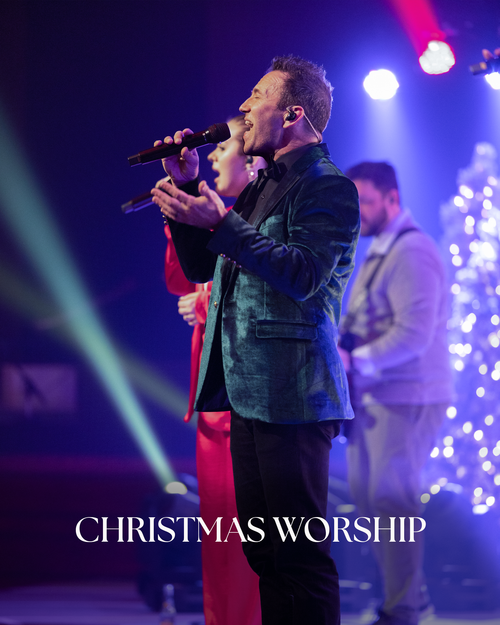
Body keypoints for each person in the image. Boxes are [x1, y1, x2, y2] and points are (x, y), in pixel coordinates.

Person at [151, 55, 360, 625]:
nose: (243, 107)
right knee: (266, 556)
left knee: (299, 559)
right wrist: (187, 187)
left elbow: (303, 273)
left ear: (293, 114)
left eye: (257, 95)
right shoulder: (263, 183)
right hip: (247, 394)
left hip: (293, 396)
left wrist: (221, 223)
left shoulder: (329, 186)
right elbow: (204, 267)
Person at [337, 162, 453, 625]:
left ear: (392, 198)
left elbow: (414, 335)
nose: (358, 212)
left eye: (366, 201)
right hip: (381, 395)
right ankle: (407, 600)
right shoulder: (385, 248)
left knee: (391, 503)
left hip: (409, 396)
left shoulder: (412, 250)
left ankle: (403, 608)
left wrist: (355, 361)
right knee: (372, 502)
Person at [162, 115, 265, 625]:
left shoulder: (258, 220)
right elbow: (182, 278)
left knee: (245, 540)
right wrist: (180, 208)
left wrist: (203, 301)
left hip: (242, 400)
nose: (214, 157)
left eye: (223, 149)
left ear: (251, 160)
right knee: (218, 537)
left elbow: (260, 293)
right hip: (213, 399)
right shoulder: (222, 217)